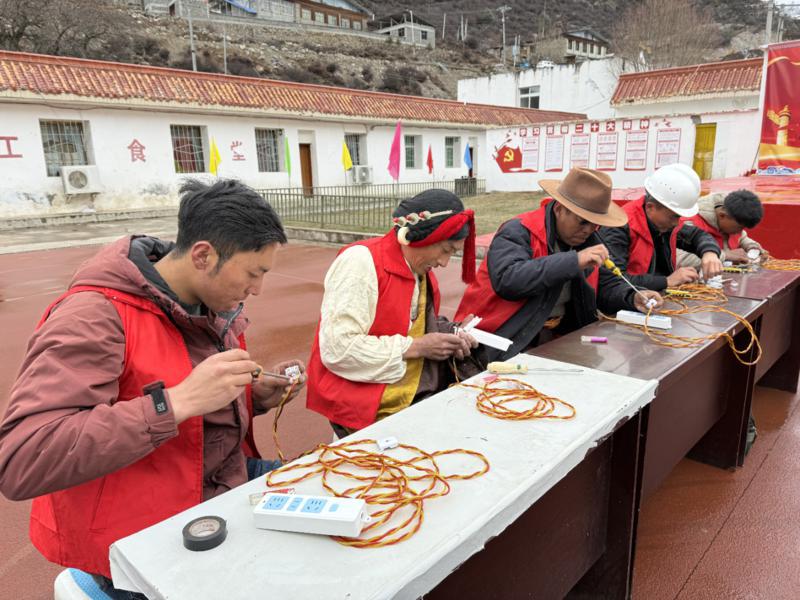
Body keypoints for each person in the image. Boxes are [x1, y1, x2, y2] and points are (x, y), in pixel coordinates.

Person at [0, 179, 306, 596]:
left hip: (219, 483)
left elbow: (196, 401)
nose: (258, 289)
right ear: (203, 255)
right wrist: (174, 403)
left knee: (334, 491)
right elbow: (24, 457)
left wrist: (251, 397)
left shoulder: (212, 305)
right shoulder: (94, 315)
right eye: (254, 273)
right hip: (144, 526)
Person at [306, 189, 478, 436]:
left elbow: (414, 324)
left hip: (407, 401)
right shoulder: (360, 262)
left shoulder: (421, 271)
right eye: (446, 250)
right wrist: (417, 347)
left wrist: (452, 332)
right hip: (364, 410)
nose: (444, 263)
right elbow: (338, 348)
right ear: (421, 237)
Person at [455, 167, 663, 364]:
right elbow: (509, 280)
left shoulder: (590, 240)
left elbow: (605, 286)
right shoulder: (518, 231)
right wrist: (574, 261)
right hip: (499, 338)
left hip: (554, 337)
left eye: (595, 224)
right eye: (583, 221)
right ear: (559, 209)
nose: (589, 230)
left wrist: (632, 296)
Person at [600, 163, 724, 291]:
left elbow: (696, 235)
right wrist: (667, 281)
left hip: (655, 295)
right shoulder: (618, 227)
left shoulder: (665, 223)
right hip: (631, 299)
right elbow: (614, 281)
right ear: (650, 207)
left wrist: (710, 253)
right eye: (674, 217)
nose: (677, 223)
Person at [674, 189, 764, 269]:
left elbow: (742, 237)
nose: (740, 231)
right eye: (740, 227)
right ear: (722, 215)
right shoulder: (689, 222)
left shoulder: (733, 218)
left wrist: (752, 247)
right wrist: (725, 256)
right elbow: (678, 259)